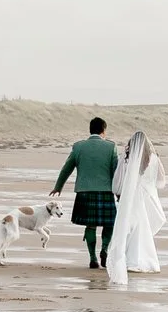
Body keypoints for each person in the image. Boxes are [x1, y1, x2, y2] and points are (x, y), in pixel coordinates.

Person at [50, 116, 123, 270]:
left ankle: (93, 258)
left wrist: (58, 187)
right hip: (105, 191)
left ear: (90, 130)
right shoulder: (111, 147)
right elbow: (115, 171)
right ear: (104, 131)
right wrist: (119, 192)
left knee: (90, 226)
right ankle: (104, 249)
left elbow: (67, 168)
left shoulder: (78, 147)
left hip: (84, 191)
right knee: (109, 223)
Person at [106, 130, 167, 286]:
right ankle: (143, 259)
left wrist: (118, 192)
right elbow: (160, 181)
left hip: (131, 196)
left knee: (128, 226)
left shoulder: (126, 159)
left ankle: (130, 258)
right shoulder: (154, 159)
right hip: (147, 196)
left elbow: (118, 180)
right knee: (142, 227)